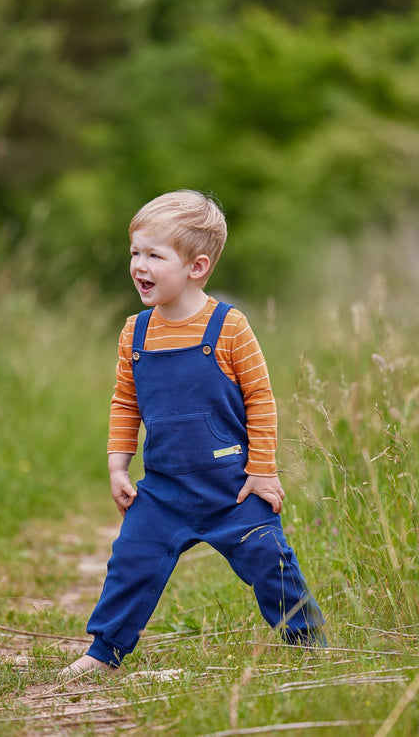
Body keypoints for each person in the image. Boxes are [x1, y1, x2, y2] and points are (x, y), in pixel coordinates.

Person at [61, 189, 325, 677]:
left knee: (271, 561)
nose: (138, 264)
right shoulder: (134, 333)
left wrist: (263, 471)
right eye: (134, 252)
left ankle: (308, 645)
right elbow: (125, 402)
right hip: (163, 489)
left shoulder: (230, 327)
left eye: (154, 255)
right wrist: (118, 464)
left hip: (232, 486)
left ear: (196, 267)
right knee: (131, 565)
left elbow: (261, 400)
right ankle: (104, 653)